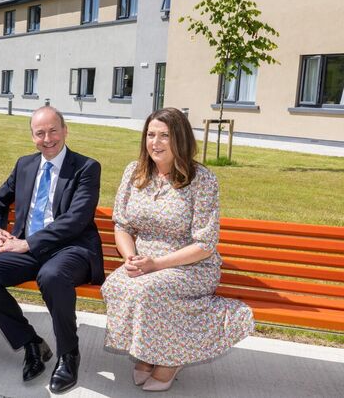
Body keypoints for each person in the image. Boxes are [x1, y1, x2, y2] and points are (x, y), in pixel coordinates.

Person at [101, 107, 253, 392]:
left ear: (180, 139)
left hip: (191, 264)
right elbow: (122, 225)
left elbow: (205, 244)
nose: (155, 143)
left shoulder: (202, 180)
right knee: (116, 286)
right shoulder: (134, 173)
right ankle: (148, 354)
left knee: (148, 290)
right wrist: (130, 257)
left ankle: (169, 359)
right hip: (143, 260)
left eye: (164, 136)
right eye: (150, 135)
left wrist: (155, 264)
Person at [0, 106, 104, 394]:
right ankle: (31, 343)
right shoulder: (25, 165)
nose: (47, 138)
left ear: (65, 130)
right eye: (40, 133)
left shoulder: (86, 167)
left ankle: (68, 355)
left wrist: (28, 242)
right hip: (28, 250)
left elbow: (76, 219)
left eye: (53, 130)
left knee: (52, 276)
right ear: (32, 136)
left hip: (71, 249)